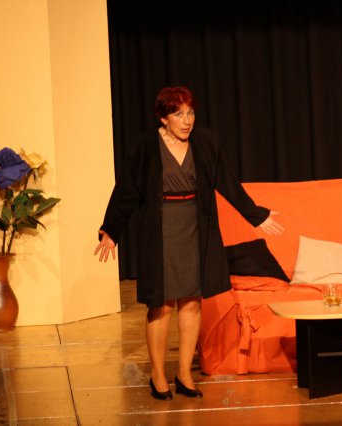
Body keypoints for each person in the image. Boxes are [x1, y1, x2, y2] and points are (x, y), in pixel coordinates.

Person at [94, 86, 283, 401]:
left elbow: (227, 182)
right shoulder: (145, 146)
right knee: (161, 305)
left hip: (196, 227)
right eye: (178, 114)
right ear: (163, 118)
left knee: (192, 301)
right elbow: (127, 190)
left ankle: (184, 373)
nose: (187, 120)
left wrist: (256, 215)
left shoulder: (205, 141)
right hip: (161, 229)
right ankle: (157, 374)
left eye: (190, 112)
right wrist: (112, 230)